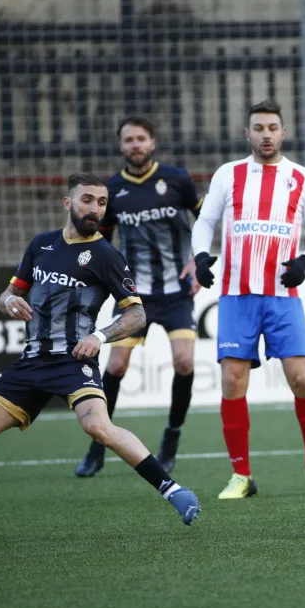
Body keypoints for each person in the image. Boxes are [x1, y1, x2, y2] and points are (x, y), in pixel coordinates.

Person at [0, 174, 200, 545]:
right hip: (31, 362)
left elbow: (137, 315)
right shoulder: (41, 245)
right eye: (87, 200)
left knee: (98, 427)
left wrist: (98, 337)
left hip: (72, 361)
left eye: (101, 202)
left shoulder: (106, 255)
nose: (95, 208)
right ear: (68, 203)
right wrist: (9, 301)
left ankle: (172, 490)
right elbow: (10, 293)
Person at [193, 99, 305, 500]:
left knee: (302, 378)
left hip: (282, 296)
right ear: (247, 134)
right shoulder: (228, 174)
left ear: (283, 132)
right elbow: (204, 223)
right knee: (233, 381)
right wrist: (201, 258)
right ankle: (241, 476)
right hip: (236, 297)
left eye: (272, 127)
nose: (266, 134)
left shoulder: (302, 177)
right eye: (258, 128)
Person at [74, 116, 202, 478]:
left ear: (153, 142)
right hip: (134, 297)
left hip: (177, 292)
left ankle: (171, 442)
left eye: (141, 138)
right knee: (115, 367)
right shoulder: (112, 190)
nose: (135, 145)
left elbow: (205, 220)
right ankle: (98, 445)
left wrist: (200, 259)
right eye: (128, 140)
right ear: (121, 146)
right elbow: (102, 241)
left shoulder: (178, 179)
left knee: (185, 363)